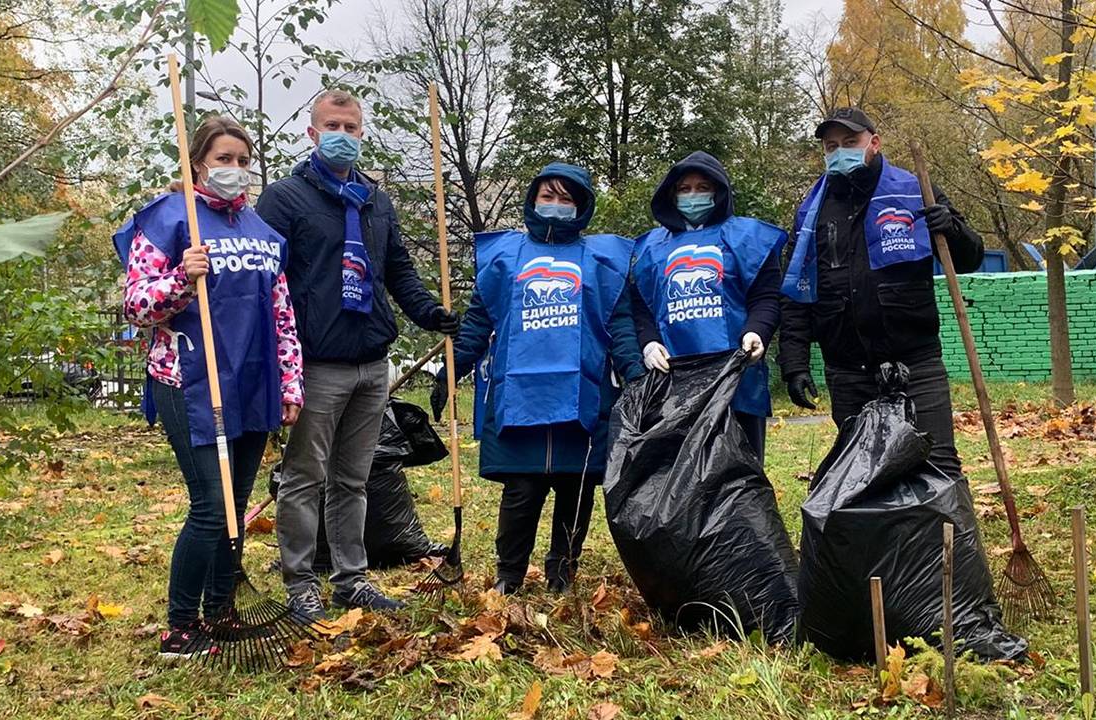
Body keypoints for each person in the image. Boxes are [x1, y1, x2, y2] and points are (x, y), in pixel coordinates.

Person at [255, 90, 459, 620]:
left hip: (372, 362)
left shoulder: (375, 201)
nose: (343, 135)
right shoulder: (284, 200)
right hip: (317, 364)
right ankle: (300, 585)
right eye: (333, 125)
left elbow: (399, 273)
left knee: (354, 478)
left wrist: (432, 314)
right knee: (304, 478)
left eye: (352, 127)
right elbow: (264, 282)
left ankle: (352, 579)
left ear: (362, 133)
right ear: (312, 132)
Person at [112, 115, 303, 659]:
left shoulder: (263, 234)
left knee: (235, 505)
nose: (235, 171)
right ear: (197, 161)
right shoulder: (168, 220)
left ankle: (220, 611)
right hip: (188, 379)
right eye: (223, 160)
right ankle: (179, 627)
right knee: (209, 503)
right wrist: (180, 278)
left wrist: (291, 384)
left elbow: (281, 313)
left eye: (243, 162)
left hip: (250, 380)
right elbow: (136, 306)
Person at [429, 163, 643, 595]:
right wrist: (450, 372)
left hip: (584, 396)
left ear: (581, 207)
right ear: (533, 200)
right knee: (521, 492)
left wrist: (637, 377)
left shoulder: (603, 261)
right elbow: (478, 321)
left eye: (567, 198)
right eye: (548, 196)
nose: (556, 205)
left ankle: (562, 572)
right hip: (519, 399)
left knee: (575, 489)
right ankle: (509, 575)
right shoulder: (505, 258)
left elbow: (619, 327)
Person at [778, 107, 984, 481]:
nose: (841, 151)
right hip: (848, 370)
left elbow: (970, 259)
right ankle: (883, 542)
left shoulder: (915, 191)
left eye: (850, 142)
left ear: (874, 143)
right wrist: (794, 362)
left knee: (939, 466)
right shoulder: (812, 212)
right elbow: (797, 290)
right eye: (831, 146)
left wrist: (951, 227)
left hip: (916, 363)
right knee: (865, 473)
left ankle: (951, 542)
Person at [629, 151, 788, 460]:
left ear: (719, 191)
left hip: (735, 376)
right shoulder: (649, 248)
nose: (693, 195)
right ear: (672, 195)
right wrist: (648, 343)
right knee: (680, 477)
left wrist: (758, 332)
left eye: (703, 188)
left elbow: (766, 297)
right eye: (684, 189)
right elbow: (640, 307)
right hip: (673, 380)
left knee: (740, 474)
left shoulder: (747, 237)